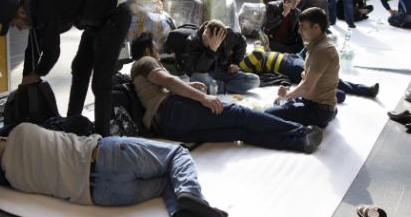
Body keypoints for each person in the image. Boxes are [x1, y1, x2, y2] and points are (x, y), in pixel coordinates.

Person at [0, 123, 228, 217]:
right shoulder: (22, 131)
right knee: (176, 153)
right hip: (108, 156)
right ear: (2, 138)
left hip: (105, 196)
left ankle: (179, 209)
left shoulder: (15, 180)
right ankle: (189, 193)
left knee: (167, 179)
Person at [130, 33, 324, 153]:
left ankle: (300, 143)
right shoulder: (145, 61)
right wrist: (203, 97)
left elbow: (165, 85)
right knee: (241, 115)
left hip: (169, 126)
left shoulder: (137, 69)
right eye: (155, 47)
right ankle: (300, 131)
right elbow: (168, 81)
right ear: (147, 49)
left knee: (240, 132)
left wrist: (191, 87)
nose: (158, 50)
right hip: (175, 111)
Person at [0, 0, 132, 137]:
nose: (17, 28)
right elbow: (33, 49)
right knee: (79, 69)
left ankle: (103, 140)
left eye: (13, 24)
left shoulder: (42, 4)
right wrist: (27, 79)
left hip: (115, 13)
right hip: (97, 19)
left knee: (101, 83)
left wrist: (36, 74)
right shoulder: (34, 8)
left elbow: (52, 52)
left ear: (21, 12)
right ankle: (73, 124)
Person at [265, 7, 339, 128]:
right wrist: (290, 94)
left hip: (318, 110)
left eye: (303, 27)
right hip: (313, 102)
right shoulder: (316, 44)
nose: (299, 31)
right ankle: (329, 113)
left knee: (267, 115)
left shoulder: (323, 50)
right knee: (278, 103)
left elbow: (307, 88)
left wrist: (287, 95)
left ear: (316, 27)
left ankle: (305, 135)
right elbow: (306, 81)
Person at [239, 44, 379, 100]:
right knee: (322, 76)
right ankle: (365, 90)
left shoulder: (243, 59)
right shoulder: (242, 64)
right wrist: (257, 43)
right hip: (289, 65)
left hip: (291, 57)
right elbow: (258, 53)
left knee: (313, 43)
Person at [163, 20, 259, 94]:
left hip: (222, 71)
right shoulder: (192, 41)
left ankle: (217, 87)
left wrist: (236, 62)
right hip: (204, 74)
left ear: (220, 37)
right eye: (205, 36)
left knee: (254, 80)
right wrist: (212, 50)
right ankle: (222, 87)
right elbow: (197, 70)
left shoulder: (228, 34)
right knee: (197, 79)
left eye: (208, 38)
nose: (204, 38)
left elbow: (242, 42)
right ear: (205, 28)